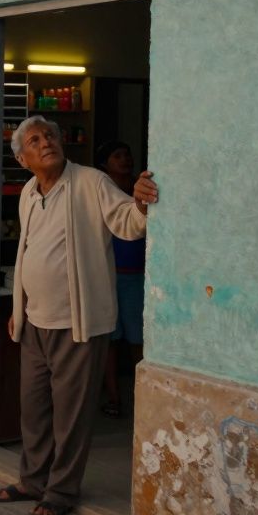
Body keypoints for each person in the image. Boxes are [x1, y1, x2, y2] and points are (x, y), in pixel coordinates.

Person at [0, 115, 158, 515]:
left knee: (71, 414)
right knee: (33, 409)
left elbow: (129, 224)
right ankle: (32, 480)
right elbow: (27, 252)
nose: (46, 142)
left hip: (77, 323)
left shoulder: (90, 182)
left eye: (49, 135)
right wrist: (19, 310)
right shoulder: (29, 192)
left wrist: (138, 201)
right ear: (23, 159)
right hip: (34, 322)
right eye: (34, 140)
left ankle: (61, 490)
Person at [94, 141, 146, 418]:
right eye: (117, 155)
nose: (125, 159)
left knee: (139, 341)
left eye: (127, 155)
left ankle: (144, 400)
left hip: (138, 277)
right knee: (110, 341)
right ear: (105, 164)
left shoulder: (141, 191)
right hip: (109, 276)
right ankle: (114, 397)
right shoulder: (102, 193)